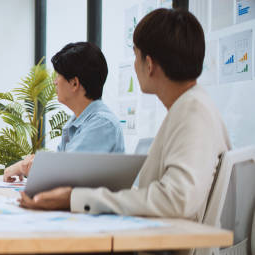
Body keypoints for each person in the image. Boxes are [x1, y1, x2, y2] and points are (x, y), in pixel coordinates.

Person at [19, 9, 231, 225]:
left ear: (148, 64)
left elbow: (176, 199)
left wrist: (74, 199)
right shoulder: (188, 106)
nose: (134, 65)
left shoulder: (193, 112)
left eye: (135, 55)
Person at [4, 42, 125, 182]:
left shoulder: (102, 124)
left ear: (74, 83)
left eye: (58, 76)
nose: (55, 82)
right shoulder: (77, 121)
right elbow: (59, 167)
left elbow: (63, 173)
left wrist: (23, 166)